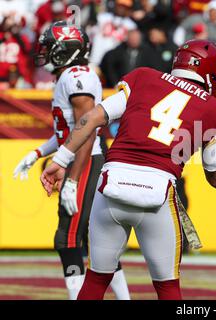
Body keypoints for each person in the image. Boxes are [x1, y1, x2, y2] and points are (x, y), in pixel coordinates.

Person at [40, 39, 216, 300]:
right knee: (167, 288)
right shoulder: (215, 109)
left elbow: (91, 118)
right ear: (209, 71)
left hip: (111, 185)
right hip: (158, 195)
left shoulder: (143, 78)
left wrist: (60, 160)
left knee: (95, 280)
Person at [13, 21, 130, 300]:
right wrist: (38, 153)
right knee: (94, 240)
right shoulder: (67, 77)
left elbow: (87, 131)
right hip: (83, 155)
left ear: (66, 50)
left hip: (87, 157)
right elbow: (69, 132)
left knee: (67, 237)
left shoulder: (75, 76)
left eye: (51, 47)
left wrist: (72, 180)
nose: (45, 52)